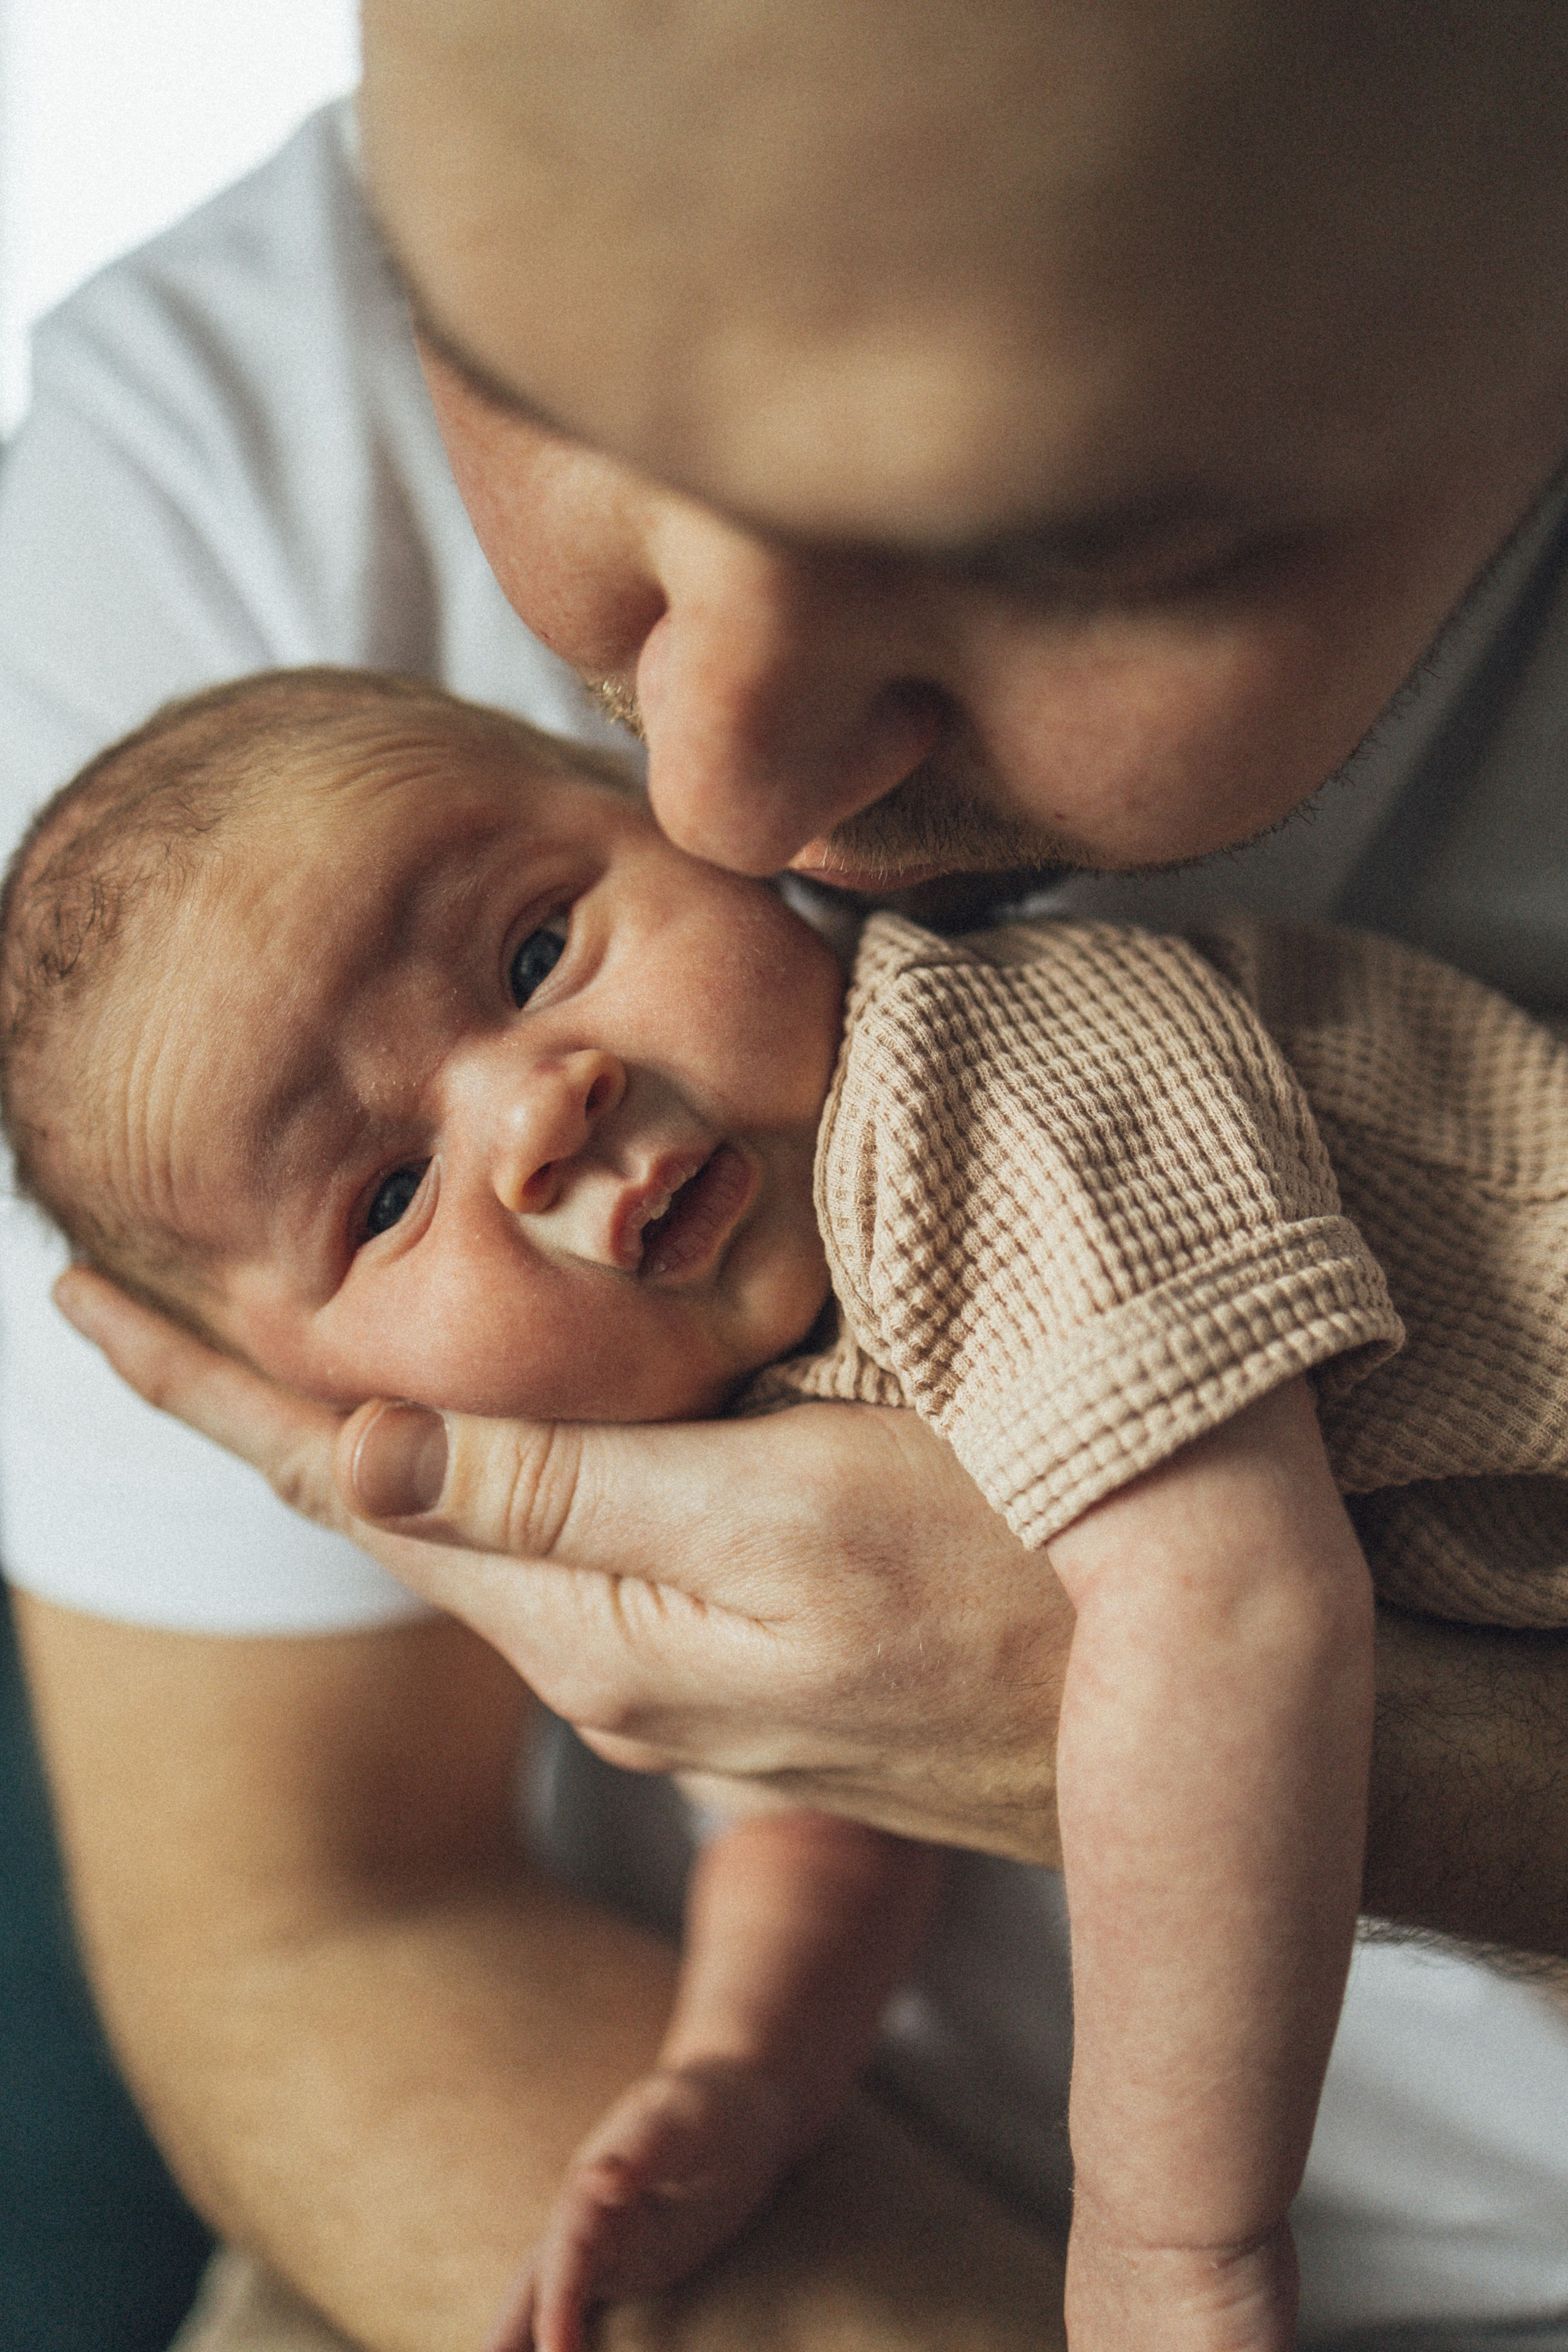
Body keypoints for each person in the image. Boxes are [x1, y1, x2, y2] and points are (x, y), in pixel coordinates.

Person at [5, 2, 1568, 2345]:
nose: (725, 806)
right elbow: (589, 1849)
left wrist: (1165, 2253)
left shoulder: (994, 1099)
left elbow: (1202, 1617)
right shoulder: (189, 523)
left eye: (1079, 553)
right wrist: (735, 2068)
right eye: (538, 389)